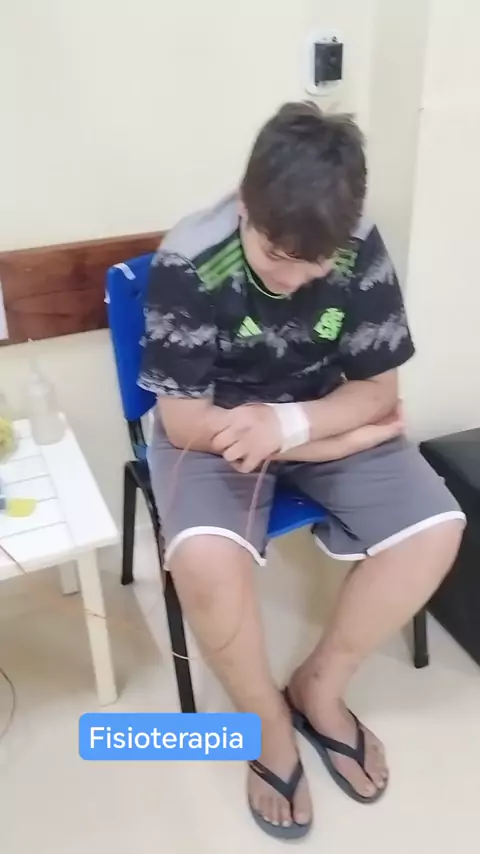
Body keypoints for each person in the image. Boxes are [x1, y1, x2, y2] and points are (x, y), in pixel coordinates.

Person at [139, 102, 465, 841]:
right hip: (217, 432)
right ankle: (267, 728)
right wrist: (319, 444)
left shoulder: (356, 241)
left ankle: (319, 688)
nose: (294, 279)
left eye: (314, 262)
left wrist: (293, 430)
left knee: (437, 529)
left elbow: (377, 391)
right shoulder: (190, 258)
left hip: (317, 414)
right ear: (246, 205)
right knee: (203, 561)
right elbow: (185, 424)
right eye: (277, 256)